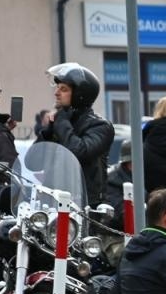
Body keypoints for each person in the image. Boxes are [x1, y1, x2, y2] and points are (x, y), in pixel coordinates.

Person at [38, 63, 113, 205]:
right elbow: (33, 163)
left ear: (79, 95)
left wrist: (61, 123)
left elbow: (79, 152)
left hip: (85, 207)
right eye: (57, 88)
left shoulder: (100, 126)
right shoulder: (63, 123)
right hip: (53, 203)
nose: (56, 93)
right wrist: (47, 134)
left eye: (63, 89)